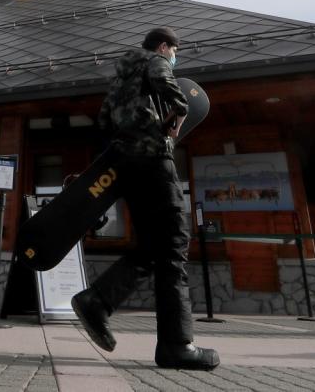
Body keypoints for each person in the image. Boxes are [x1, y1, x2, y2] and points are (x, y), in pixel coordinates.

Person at [70, 27, 220, 371]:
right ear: (165, 46)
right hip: (153, 159)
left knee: (155, 245)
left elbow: (104, 120)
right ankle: (177, 345)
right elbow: (174, 91)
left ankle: (98, 301)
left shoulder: (121, 77)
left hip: (126, 164)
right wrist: (176, 118)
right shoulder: (156, 61)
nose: (173, 57)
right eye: (174, 51)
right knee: (174, 243)